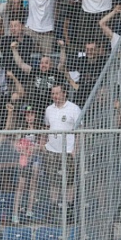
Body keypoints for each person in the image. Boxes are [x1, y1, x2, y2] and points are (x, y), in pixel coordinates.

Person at [43, 84, 81, 219]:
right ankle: (53, 208)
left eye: (57, 93)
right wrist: (44, 145)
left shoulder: (74, 108)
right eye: (53, 93)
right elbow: (46, 127)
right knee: (54, 181)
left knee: (69, 181)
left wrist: (75, 149)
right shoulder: (49, 109)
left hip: (68, 151)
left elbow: (80, 131)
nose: (55, 96)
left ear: (64, 93)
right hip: (52, 151)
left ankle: (69, 208)